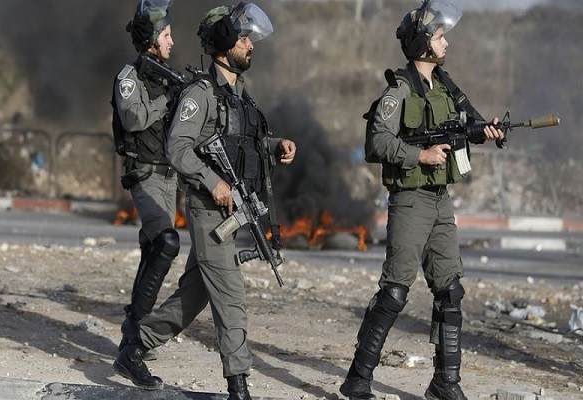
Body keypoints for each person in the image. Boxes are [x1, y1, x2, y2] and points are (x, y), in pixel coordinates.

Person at [112, 3, 297, 398]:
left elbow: (241, 144)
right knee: (231, 296)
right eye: (243, 39)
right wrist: (213, 183)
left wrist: (276, 145)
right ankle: (238, 385)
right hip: (208, 210)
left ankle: (136, 346)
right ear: (225, 45)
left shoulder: (238, 95)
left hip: (232, 213)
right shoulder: (201, 93)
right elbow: (178, 147)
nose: (250, 45)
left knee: (194, 295)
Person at [340, 1, 504, 400]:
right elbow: (377, 141)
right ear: (422, 44)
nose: (447, 43)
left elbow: (470, 124)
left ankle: (445, 383)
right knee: (395, 291)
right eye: (441, 37)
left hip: (441, 200)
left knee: (450, 291)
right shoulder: (398, 90)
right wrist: (421, 155)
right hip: (411, 200)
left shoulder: (446, 86)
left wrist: (489, 130)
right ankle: (358, 379)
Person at [112, 0, 181, 361]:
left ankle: (132, 327)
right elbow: (134, 118)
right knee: (167, 243)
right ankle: (135, 331)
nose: (172, 41)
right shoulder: (129, 78)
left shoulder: (169, 78)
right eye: (166, 35)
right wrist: (167, 101)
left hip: (170, 179)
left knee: (154, 249)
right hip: (144, 175)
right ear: (152, 39)